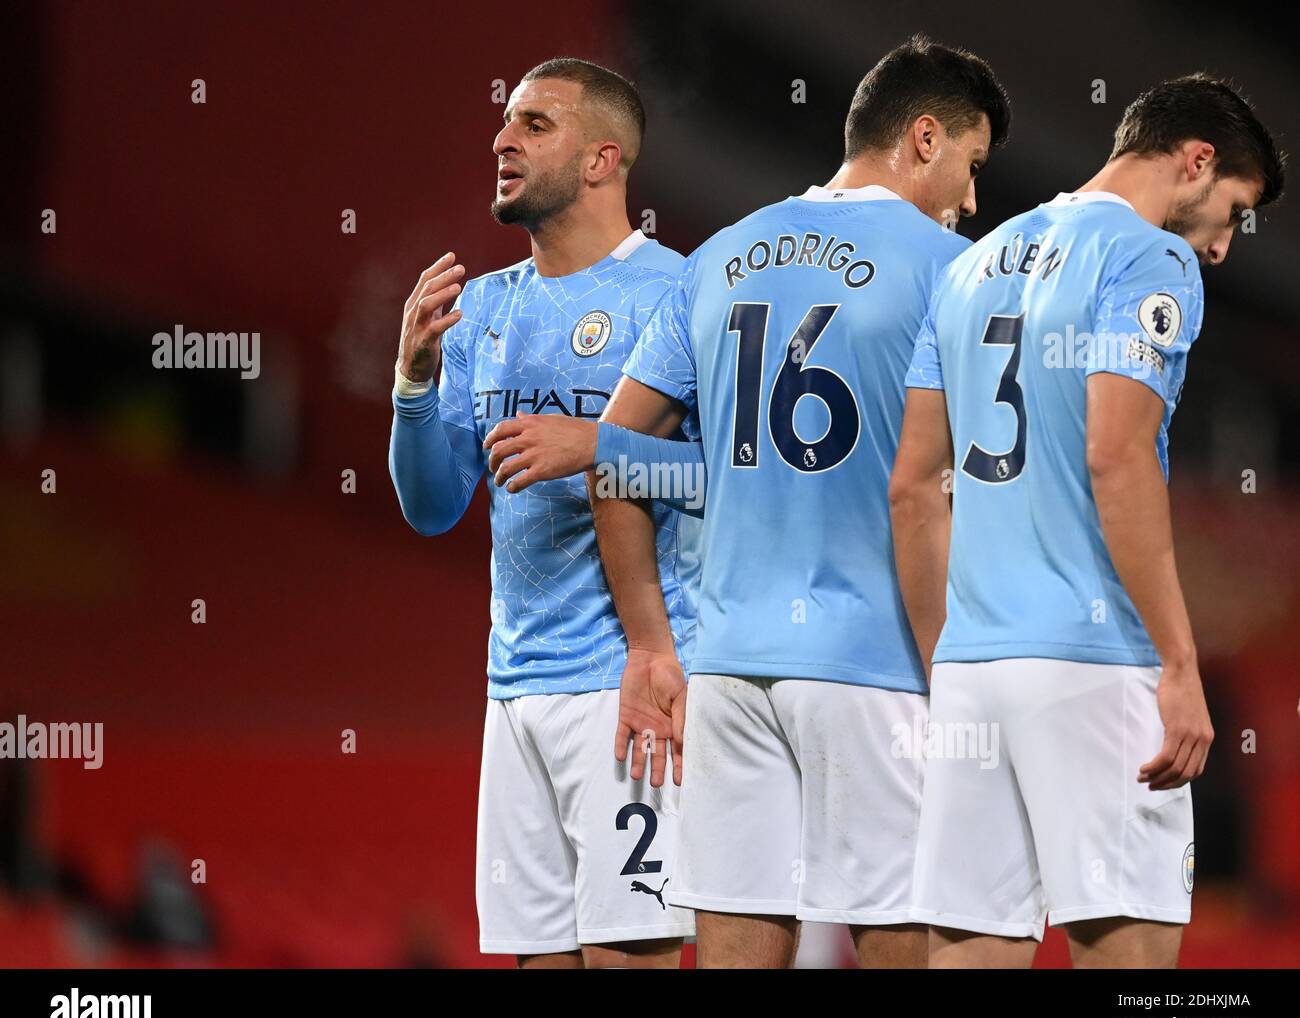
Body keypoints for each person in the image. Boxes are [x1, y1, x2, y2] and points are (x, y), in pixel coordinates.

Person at [488, 36, 1010, 968]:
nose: (971, 200)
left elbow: (616, 457)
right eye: (971, 165)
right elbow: (953, 486)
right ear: (924, 139)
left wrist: (651, 642)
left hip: (727, 672)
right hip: (875, 667)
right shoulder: (952, 267)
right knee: (912, 941)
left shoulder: (722, 253)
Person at [890, 73, 1285, 968]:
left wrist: (945, 666)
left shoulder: (967, 267)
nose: (1223, 245)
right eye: (1232, 210)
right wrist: (1180, 663)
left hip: (972, 673)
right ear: (1197, 160)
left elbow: (913, 489)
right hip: (1094, 665)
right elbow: (1117, 454)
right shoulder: (1152, 259)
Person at [388, 57, 698, 968]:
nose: (501, 140)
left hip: (632, 682)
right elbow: (434, 508)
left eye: (532, 125)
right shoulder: (482, 310)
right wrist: (413, 381)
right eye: (504, 123)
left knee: (628, 958)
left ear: (603, 159)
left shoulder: (676, 294)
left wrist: (600, 446)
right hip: (512, 692)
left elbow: (733, 480)